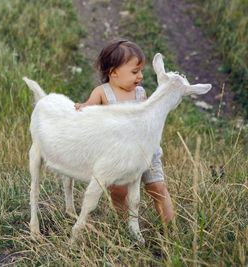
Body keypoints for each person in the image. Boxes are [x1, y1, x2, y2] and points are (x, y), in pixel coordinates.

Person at [74, 39, 175, 227]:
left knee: (158, 188)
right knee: (118, 193)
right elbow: (89, 108)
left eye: (141, 71)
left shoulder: (140, 93)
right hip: (119, 156)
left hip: (146, 152)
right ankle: (125, 226)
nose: (141, 76)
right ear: (113, 73)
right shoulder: (102, 92)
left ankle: (172, 231)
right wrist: (83, 107)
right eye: (135, 71)